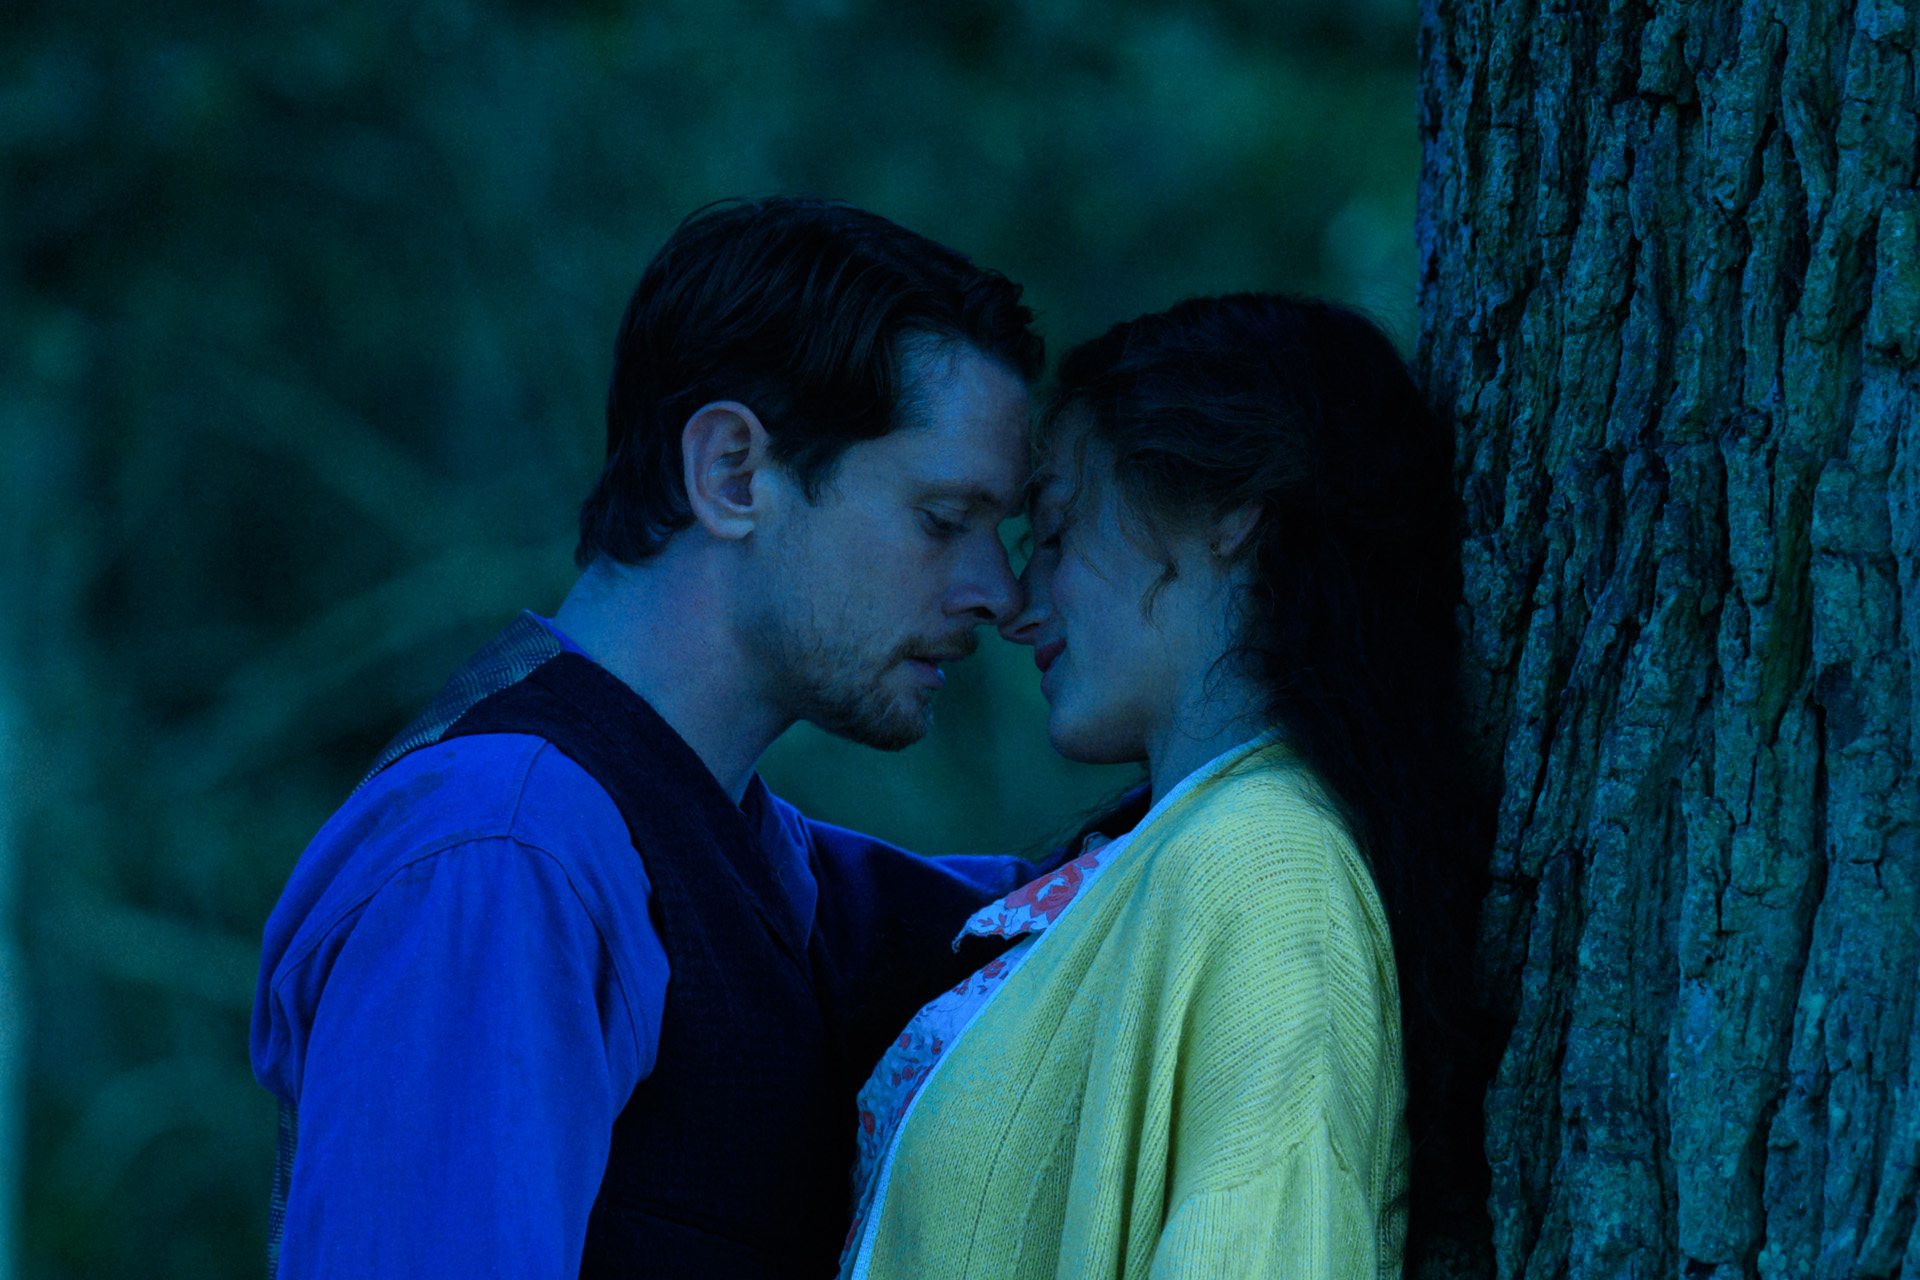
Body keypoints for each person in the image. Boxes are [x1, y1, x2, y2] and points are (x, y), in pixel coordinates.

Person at [250, 197, 1060, 1279]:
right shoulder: (505, 852)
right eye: (941, 517)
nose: (998, 591)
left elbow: (1060, 909)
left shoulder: (740, 852)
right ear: (732, 472)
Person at [838, 294, 1488, 1279]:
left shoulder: (1269, 865)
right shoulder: (1193, 854)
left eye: (1055, 530)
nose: (1016, 601)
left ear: (1231, 511)